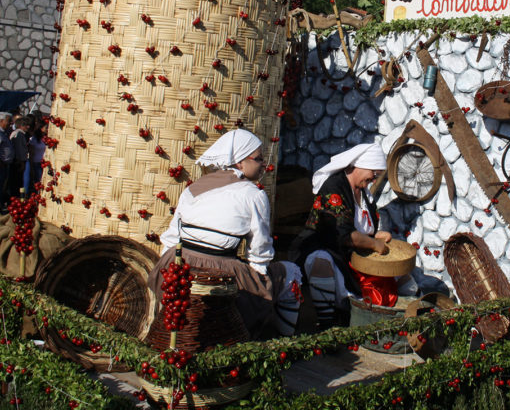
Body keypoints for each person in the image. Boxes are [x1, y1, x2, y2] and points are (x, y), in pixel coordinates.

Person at [153, 129, 302, 338]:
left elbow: (171, 238)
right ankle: (284, 341)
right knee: (290, 272)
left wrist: (172, 273)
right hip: (221, 273)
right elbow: (259, 251)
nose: (263, 165)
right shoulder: (254, 195)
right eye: (258, 159)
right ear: (240, 162)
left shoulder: (194, 188)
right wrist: (259, 286)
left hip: (178, 267)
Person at [290, 142, 393, 327]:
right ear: (360, 166)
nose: (374, 180)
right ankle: (327, 323)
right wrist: (373, 244)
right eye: (373, 174)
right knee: (320, 261)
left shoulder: (364, 193)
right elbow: (342, 234)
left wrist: (377, 235)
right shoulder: (334, 187)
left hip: (352, 254)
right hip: (326, 246)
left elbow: (364, 228)